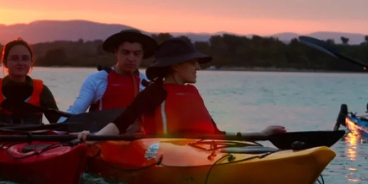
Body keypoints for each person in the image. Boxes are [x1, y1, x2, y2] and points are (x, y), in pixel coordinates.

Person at [86, 36, 283, 139]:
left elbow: (218, 135)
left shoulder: (192, 93)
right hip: (161, 155)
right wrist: (90, 138)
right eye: (193, 62)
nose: (198, 67)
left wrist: (261, 133)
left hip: (200, 154)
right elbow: (120, 124)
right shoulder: (155, 92)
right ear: (176, 65)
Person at [0, 38, 63, 125]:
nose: (20, 63)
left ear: (31, 62)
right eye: (14, 58)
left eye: (25, 58)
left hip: (33, 141)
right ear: (5, 63)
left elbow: (59, 124)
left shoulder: (42, 91)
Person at [66, 29, 158, 115]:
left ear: (142, 54)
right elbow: (75, 111)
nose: (131, 59)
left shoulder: (148, 84)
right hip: (100, 132)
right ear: (116, 52)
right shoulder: (96, 79)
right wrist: (56, 131)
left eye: (136, 54)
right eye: (125, 53)